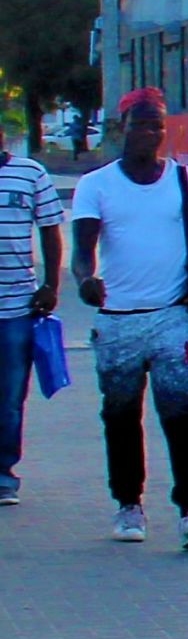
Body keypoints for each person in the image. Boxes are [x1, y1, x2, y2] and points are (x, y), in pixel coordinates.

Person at [72, 87, 188, 550]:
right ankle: (129, 505)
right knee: (120, 415)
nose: (151, 134)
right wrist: (85, 280)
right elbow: (82, 253)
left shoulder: (187, 181)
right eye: (142, 125)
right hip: (118, 321)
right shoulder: (96, 186)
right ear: (122, 130)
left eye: (158, 125)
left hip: (171, 316)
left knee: (180, 413)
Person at [0, 117, 60, 504]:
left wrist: (51, 284)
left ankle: (4, 473)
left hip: (16, 308)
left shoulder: (30, 173)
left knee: (8, 395)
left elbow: (52, 228)